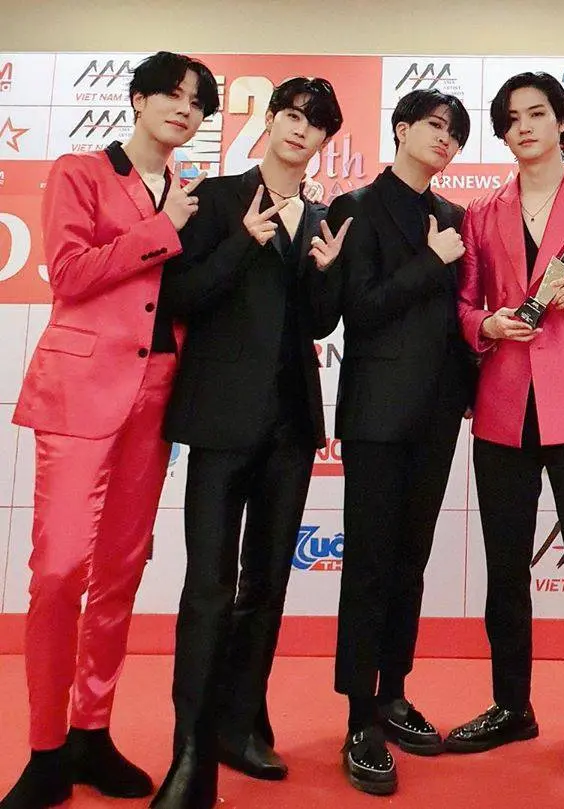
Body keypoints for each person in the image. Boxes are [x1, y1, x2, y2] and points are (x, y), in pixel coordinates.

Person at [2, 51, 218, 809]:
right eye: (173, 95)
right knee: (60, 570)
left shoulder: (190, 191)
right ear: (137, 99)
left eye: (198, 103)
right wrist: (163, 229)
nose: (185, 110)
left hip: (157, 395)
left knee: (121, 572)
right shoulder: (81, 172)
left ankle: (91, 732)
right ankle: (45, 747)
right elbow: (67, 272)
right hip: (80, 392)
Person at [150, 77, 348, 809]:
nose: (300, 130)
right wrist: (242, 242)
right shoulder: (213, 199)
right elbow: (178, 297)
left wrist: (325, 276)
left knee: (266, 586)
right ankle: (190, 751)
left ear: (324, 140)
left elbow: (319, 325)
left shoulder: (321, 216)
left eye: (315, 124)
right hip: (218, 423)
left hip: (290, 429)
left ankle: (240, 723)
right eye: (291, 115)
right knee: (208, 588)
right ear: (269, 120)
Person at [448, 71, 564, 784]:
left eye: (536, 113)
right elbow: (464, 306)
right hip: (502, 406)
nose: (523, 127)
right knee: (504, 569)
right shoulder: (481, 212)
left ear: (563, 123)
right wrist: (487, 324)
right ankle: (511, 704)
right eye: (511, 118)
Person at [321, 88, 475, 796]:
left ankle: (394, 692)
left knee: (411, 560)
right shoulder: (354, 207)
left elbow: (457, 319)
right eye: (435, 126)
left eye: (456, 133)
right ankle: (359, 717)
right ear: (402, 129)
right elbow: (358, 309)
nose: (446, 140)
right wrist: (430, 262)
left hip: (438, 413)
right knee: (370, 564)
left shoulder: (456, 217)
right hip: (377, 414)